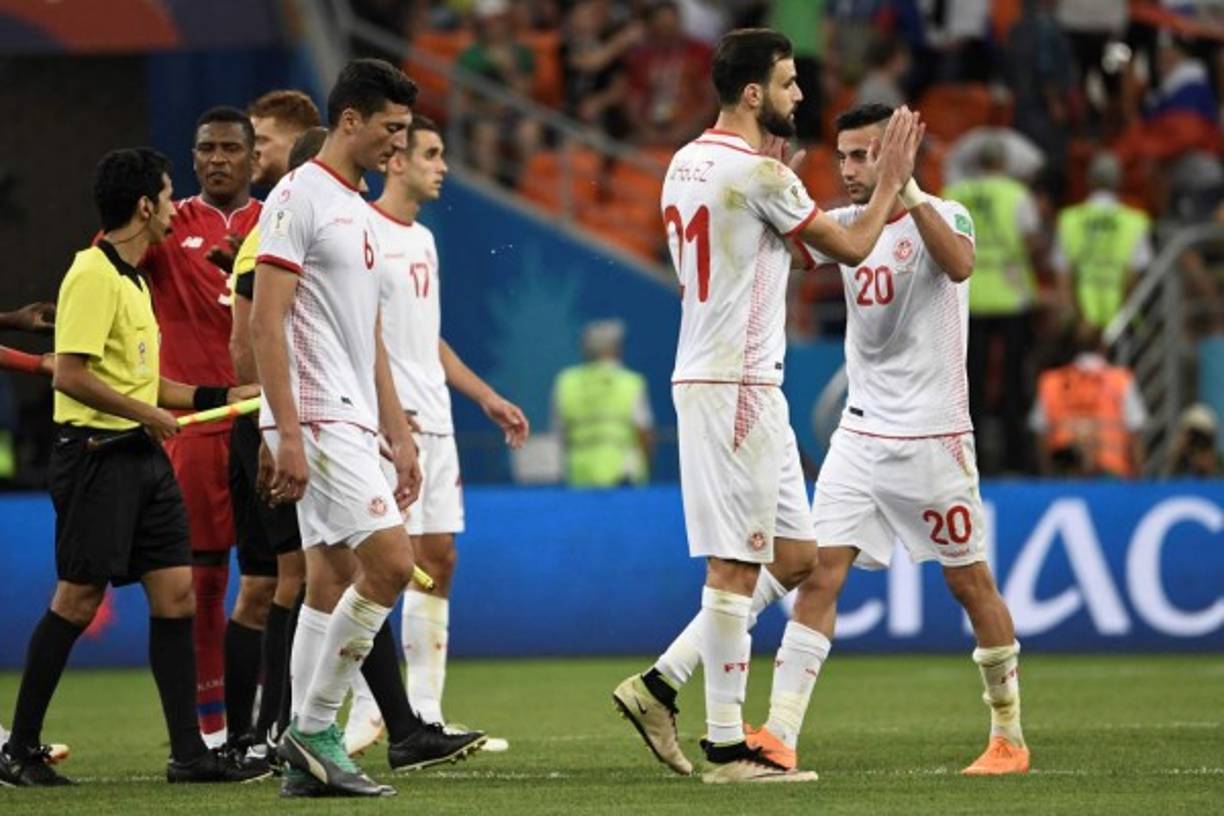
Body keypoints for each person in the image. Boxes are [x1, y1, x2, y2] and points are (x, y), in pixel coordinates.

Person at [613, 30, 921, 783]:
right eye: (788, 84)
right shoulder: (757, 173)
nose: (800, 95)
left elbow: (780, 242)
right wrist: (894, 181)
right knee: (735, 563)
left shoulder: (687, 163)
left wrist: (798, 194)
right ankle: (727, 747)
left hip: (742, 380)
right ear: (753, 94)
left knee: (795, 558)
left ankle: (659, 686)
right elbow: (847, 249)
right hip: (735, 384)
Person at [250, 58, 479, 798]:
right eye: (392, 128)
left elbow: (368, 332)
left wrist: (399, 431)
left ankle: (303, 756)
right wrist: (284, 430)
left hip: (350, 414)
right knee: (389, 563)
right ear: (350, 121)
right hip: (313, 415)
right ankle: (315, 728)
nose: (398, 143)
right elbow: (266, 318)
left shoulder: (357, 209)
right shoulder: (296, 198)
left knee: (328, 582)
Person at [0, 148, 264, 786]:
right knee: (78, 597)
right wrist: (142, 414)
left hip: (143, 460)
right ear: (146, 205)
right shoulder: (91, 273)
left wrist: (213, 396)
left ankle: (190, 755)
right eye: (170, 195)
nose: (177, 207)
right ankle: (19, 749)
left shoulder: (135, 279)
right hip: (96, 458)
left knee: (175, 595)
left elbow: (147, 383)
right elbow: (71, 375)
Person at [346, 114, 529, 754]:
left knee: (439, 561)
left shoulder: (422, 239)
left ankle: (425, 714)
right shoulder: (363, 230)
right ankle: (368, 707)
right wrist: (382, 415)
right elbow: (355, 335)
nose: (443, 166)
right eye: (431, 154)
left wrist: (485, 397)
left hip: (438, 424)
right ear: (394, 159)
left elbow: (428, 339)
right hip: (386, 430)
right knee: (380, 569)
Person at [140, 105, 261, 746]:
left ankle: (271, 720)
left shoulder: (276, 226)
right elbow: (110, 259)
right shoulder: (167, 224)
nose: (216, 159)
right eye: (205, 148)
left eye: (229, 149)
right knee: (204, 581)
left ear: (253, 158)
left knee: (280, 581)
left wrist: (251, 271)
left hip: (266, 427)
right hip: (194, 427)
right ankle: (212, 727)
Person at [224, 91, 321, 763]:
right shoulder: (277, 225)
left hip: (276, 418)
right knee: (292, 580)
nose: (255, 152)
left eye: (263, 141)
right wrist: (272, 423)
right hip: (272, 422)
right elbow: (244, 338)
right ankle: (270, 730)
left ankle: (260, 731)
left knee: (278, 582)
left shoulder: (288, 218)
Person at [944, 138, 1042, 475]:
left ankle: (972, 460)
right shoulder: (1017, 195)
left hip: (968, 297)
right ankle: (1016, 458)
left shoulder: (955, 192)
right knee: (1015, 383)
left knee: (969, 384)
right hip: (1012, 298)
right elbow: (1032, 244)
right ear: (1002, 163)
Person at [1029, 322, 1148, 479]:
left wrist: (1048, 480)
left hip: (1064, 479)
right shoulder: (1121, 380)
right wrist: (1140, 482)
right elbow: (1135, 434)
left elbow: (1040, 436)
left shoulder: (1051, 382)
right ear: (1103, 347)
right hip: (1113, 479)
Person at [1052, 152, 1152, 329]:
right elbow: (1132, 278)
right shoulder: (1135, 222)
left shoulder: (1069, 219)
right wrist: (1120, 321)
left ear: (1088, 181)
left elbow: (1063, 277)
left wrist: (1076, 318)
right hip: (1121, 324)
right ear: (1120, 181)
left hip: (1081, 323)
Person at [551, 319, 653, 487]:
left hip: (579, 473)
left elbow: (560, 434)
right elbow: (644, 432)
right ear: (615, 349)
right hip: (625, 473)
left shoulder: (566, 382)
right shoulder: (631, 382)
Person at [1165, 403, 1221, 478]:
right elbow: (1164, 478)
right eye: (1193, 434)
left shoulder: (1213, 459)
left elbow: (1213, 478)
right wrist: (1178, 451)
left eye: (1200, 436)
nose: (1196, 440)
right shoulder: (1179, 458)